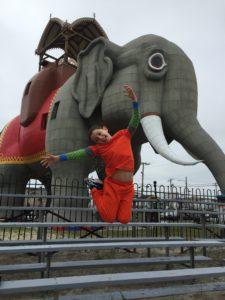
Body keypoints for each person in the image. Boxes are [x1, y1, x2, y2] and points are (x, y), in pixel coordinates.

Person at [41, 84, 140, 224]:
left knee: (124, 220)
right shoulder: (99, 149)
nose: (100, 138)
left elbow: (135, 121)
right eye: (96, 139)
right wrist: (58, 158)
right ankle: (95, 189)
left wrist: (135, 101)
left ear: (105, 129)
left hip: (128, 186)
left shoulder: (124, 135)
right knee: (108, 218)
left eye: (100, 133)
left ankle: (99, 190)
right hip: (113, 185)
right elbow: (79, 153)